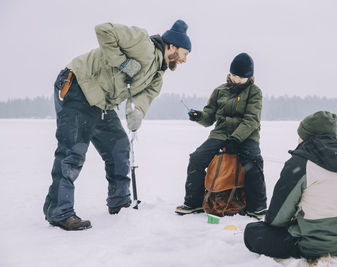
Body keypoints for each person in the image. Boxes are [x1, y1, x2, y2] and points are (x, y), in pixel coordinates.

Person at [43, 20, 192, 231]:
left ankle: (119, 202)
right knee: (72, 151)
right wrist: (122, 61)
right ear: (173, 46)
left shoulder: (157, 77)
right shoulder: (142, 43)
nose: (185, 59)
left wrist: (136, 113)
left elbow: (143, 99)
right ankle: (60, 212)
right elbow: (103, 30)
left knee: (119, 145)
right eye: (185, 53)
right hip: (78, 84)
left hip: (101, 103)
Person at [244, 111, 337, 259]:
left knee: (252, 232)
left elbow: (276, 219)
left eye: (300, 135)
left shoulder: (300, 163)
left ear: (307, 137)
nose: (298, 139)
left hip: (318, 247)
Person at [175, 53, 267, 220]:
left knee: (253, 160)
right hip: (221, 133)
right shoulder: (219, 91)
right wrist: (199, 116)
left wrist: (236, 138)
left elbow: (251, 120)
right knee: (196, 158)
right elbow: (209, 117)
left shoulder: (255, 92)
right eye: (233, 75)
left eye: (241, 77)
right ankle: (193, 203)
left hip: (247, 135)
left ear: (249, 77)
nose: (236, 79)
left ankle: (257, 207)